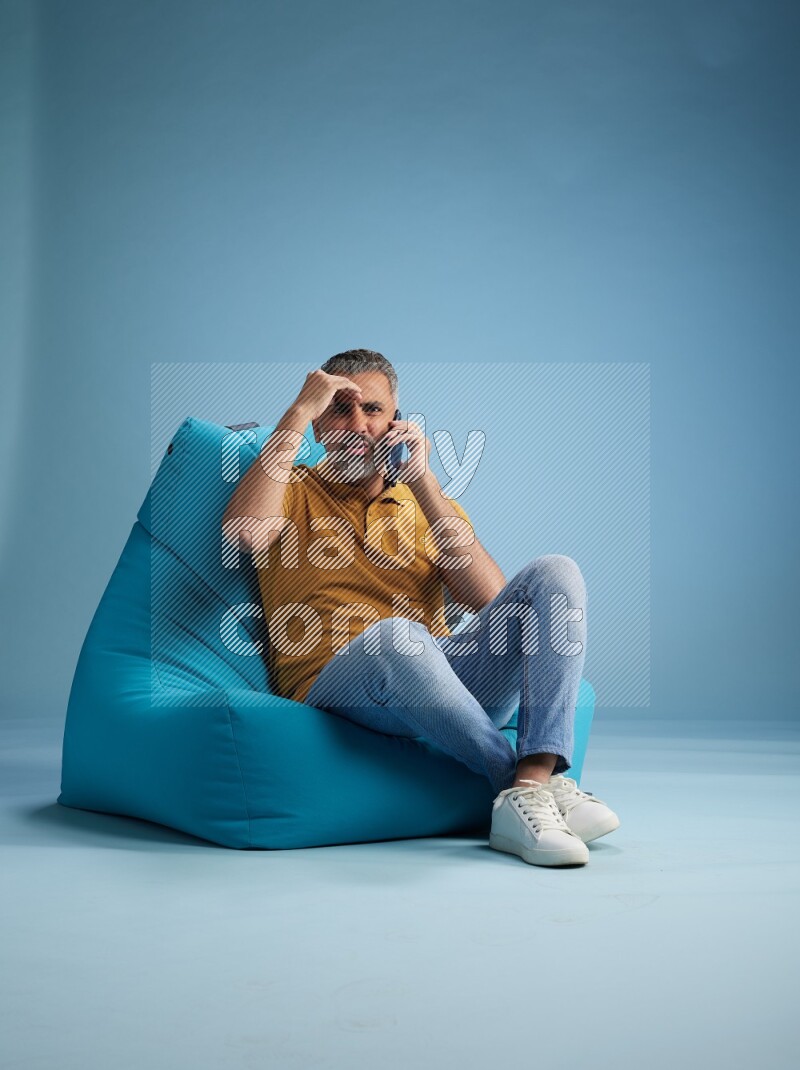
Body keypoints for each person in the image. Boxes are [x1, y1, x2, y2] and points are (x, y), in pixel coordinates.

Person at [222, 349, 620, 867]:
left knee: (556, 571)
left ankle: (530, 786)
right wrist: (297, 412)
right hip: (339, 682)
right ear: (320, 425)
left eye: (373, 411)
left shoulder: (425, 503)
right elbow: (244, 535)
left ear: (396, 421)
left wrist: (425, 484)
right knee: (399, 637)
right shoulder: (289, 487)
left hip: (438, 677)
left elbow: (489, 601)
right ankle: (526, 784)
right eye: (339, 410)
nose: (357, 425)